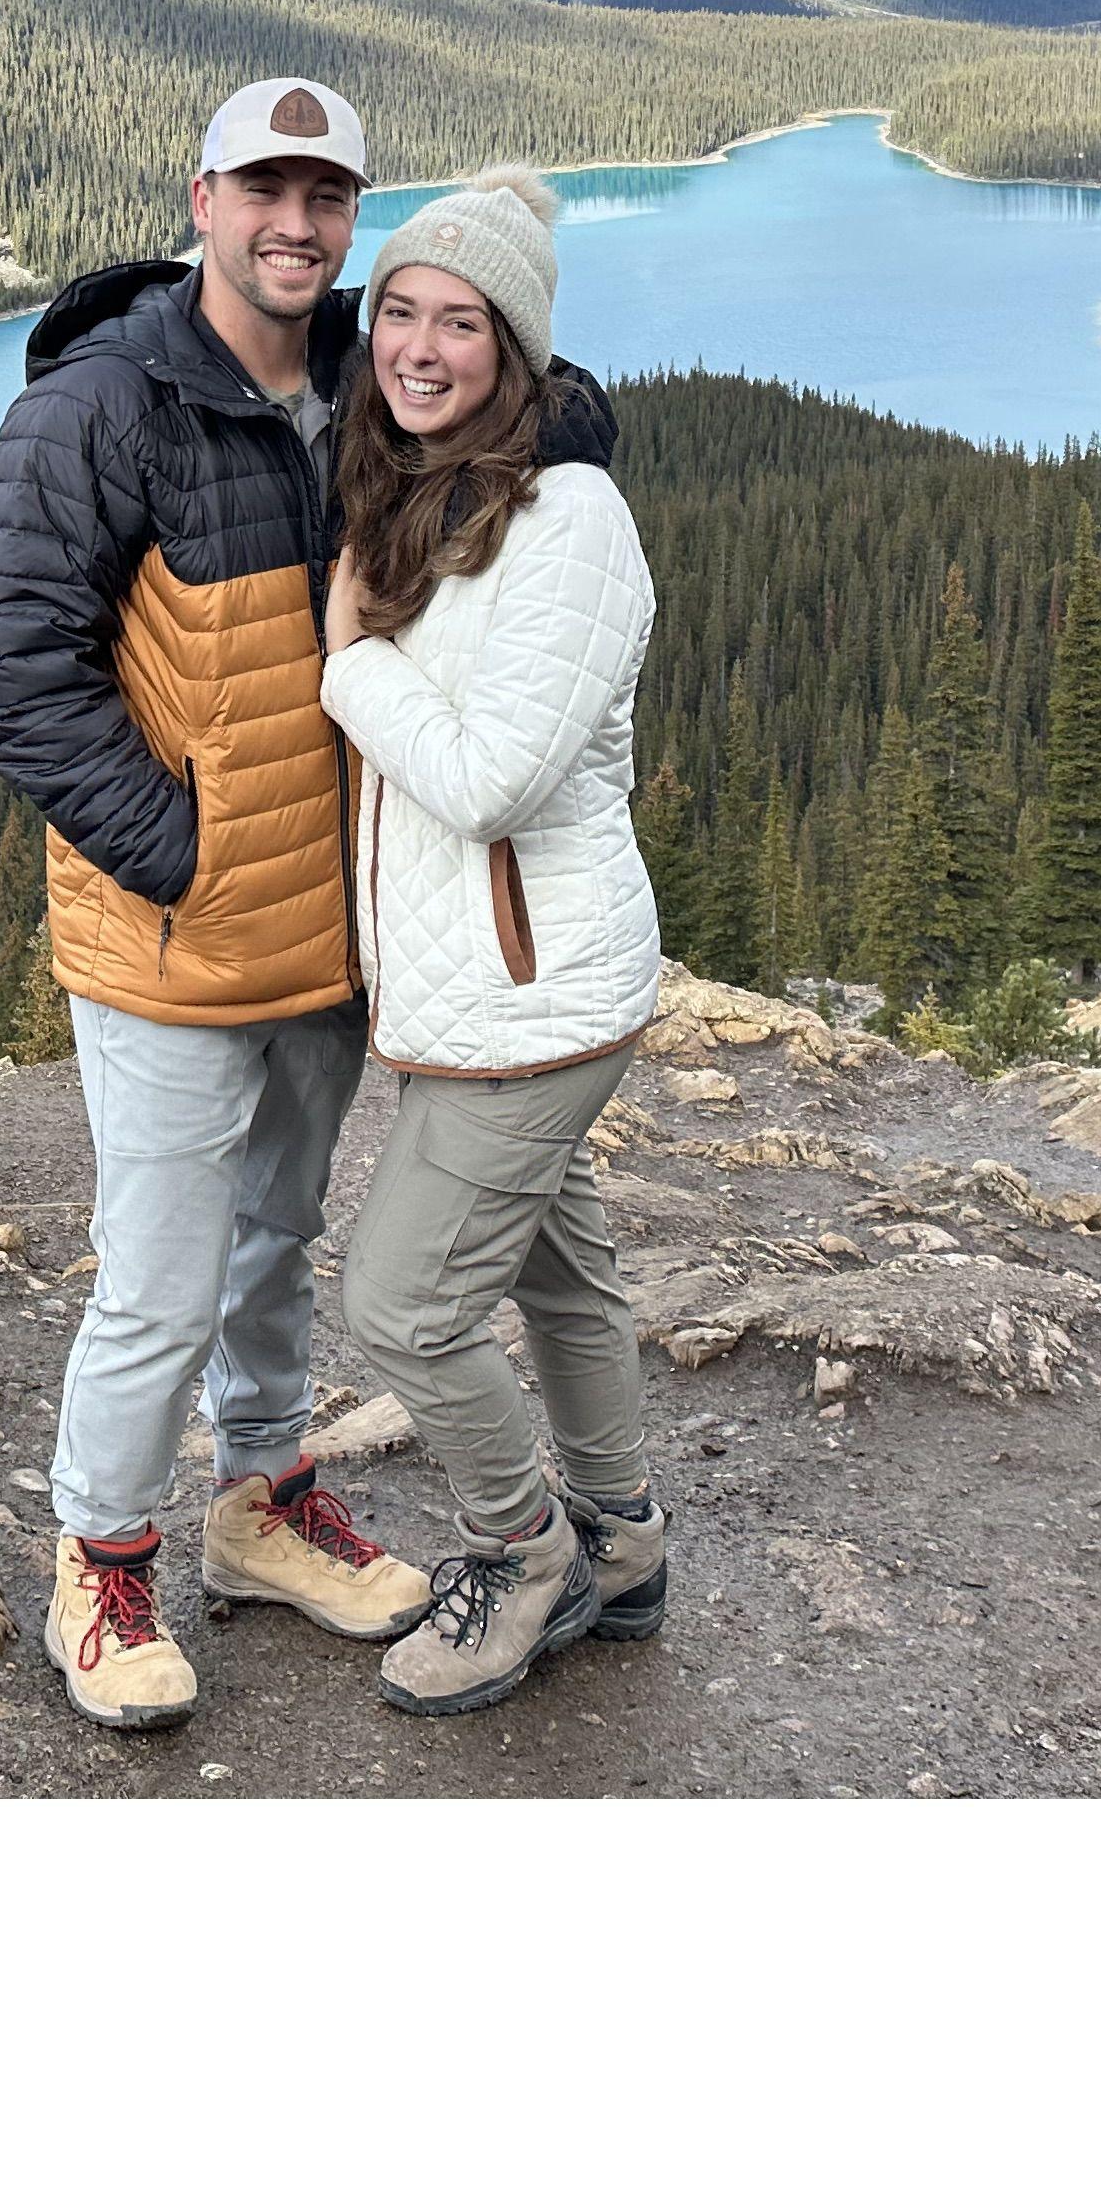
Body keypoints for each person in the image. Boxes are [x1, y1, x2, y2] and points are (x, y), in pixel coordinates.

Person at [0, 75, 436, 1729]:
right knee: (157, 1273)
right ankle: (100, 1566)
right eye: (264, 192)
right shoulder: (100, 407)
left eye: (328, 198)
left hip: (329, 935)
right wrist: (180, 852)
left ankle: (257, 1503)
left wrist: (489, 353)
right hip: (175, 935)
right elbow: (14, 674)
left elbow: (568, 412)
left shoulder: (381, 376)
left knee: (277, 1240)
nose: (295, 225)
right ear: (201, 197)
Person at [320, 168, 671, 1718]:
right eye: (398, 309)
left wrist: (347, 661)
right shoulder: (432, 497)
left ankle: (518, 1556)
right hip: (498, 991)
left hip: (540, 996)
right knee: (563, 1283)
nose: (418, 344)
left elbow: (487, 778)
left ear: (514, 353)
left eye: (460, 322)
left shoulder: (569, 513)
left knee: (399, 1303)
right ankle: (626, 1545)